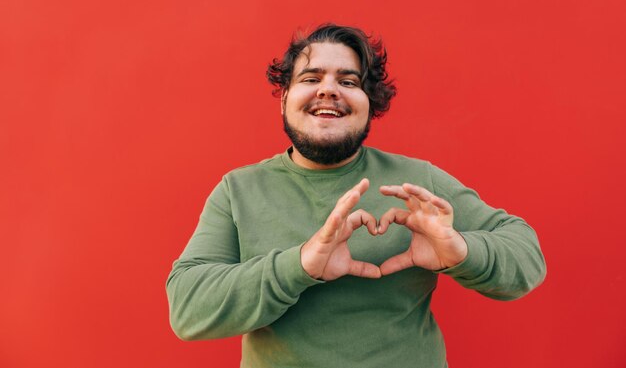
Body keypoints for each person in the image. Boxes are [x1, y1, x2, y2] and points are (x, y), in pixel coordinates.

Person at [166, 24, 546, 368]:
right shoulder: (238, 190)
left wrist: (459, 250)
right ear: (284, 99)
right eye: (311, 77)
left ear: (371, 104)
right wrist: (299, 266)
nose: (328, 89)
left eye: (348, 82)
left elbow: (527, 259)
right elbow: (187, 309)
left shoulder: (417, 182)